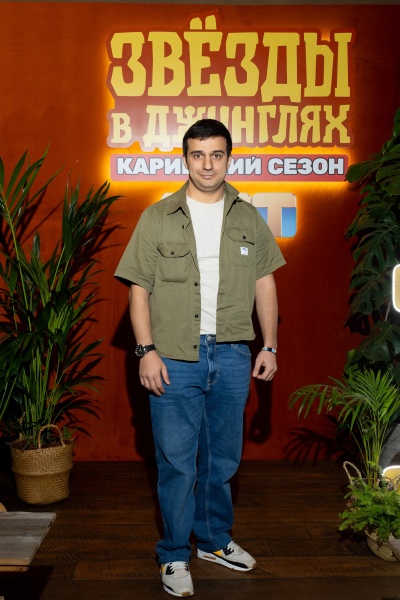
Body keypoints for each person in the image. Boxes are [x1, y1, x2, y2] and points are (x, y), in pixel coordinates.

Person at [114, 119, 285, 597]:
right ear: (185, 158)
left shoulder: (248, 217)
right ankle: (173, 553)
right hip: (172, 357)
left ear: (229, 158)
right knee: (177, 463)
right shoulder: (158, 216)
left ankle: (213, 541)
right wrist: (146, 351)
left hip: (232, 354)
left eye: (216, 154)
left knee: (223, 460)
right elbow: (138, 288)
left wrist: (269, 345)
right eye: (197, 154)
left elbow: (265, 282)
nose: (207, 164)